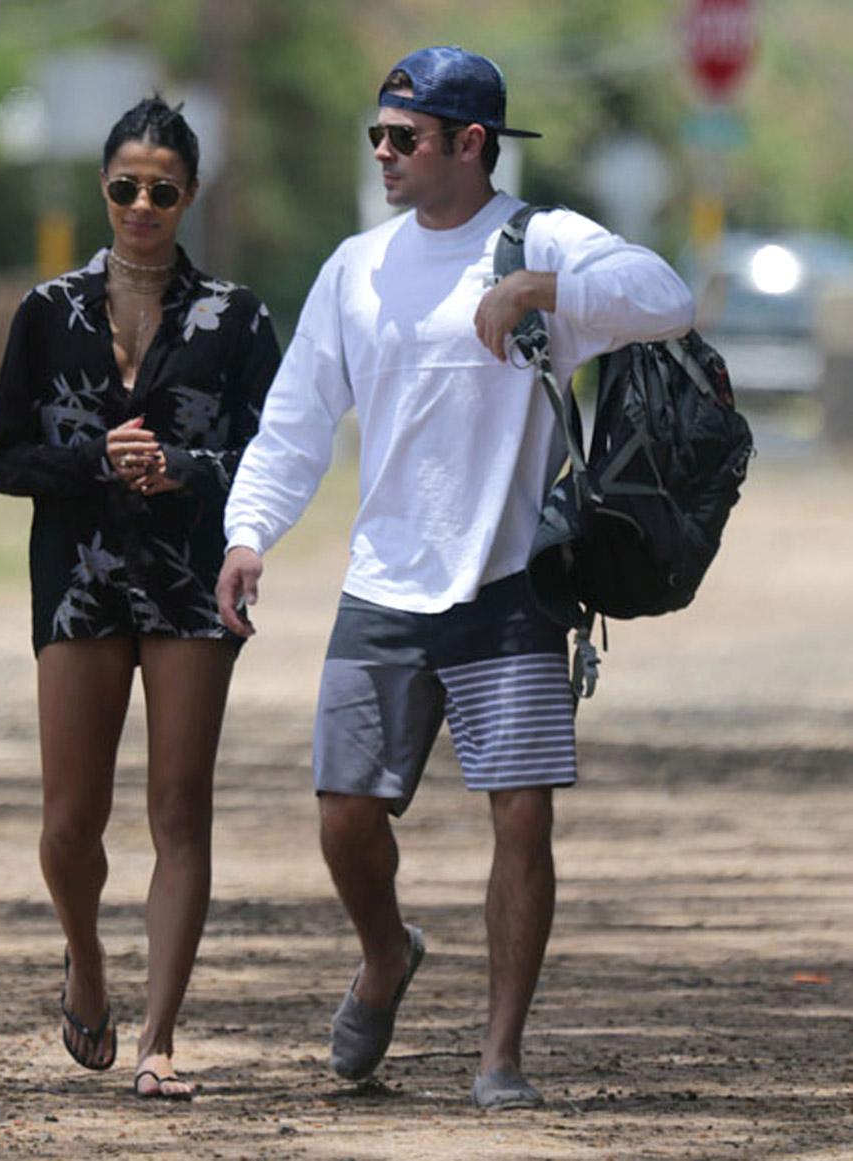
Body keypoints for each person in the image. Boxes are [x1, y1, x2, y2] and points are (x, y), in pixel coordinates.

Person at [216, 46, 694, 1108]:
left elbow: (665, 297)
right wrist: (249, 531)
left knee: (519, 816)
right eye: (376, 136)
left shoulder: (540, 240)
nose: (383, 153)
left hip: (511, 580)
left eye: (404, 137)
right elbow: (296, 421)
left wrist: (542, 287)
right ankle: (385, 956)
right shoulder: (357, 267)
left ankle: (498, 1055)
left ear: (469, 145)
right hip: (384, 583)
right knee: (343, 813)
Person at [0, 96, 280, 1100]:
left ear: (189, 194)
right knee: (71, 820)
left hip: (192, 578)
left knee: (177, 810)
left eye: (161, 189)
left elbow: (271, 456)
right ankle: (88, 960)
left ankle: (158, 1036)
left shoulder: (235, 318)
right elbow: (4, 460)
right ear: (103, 189)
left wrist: (186, 467)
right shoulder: (45, 311)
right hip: (76, 575)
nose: (142, 204)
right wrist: (92, 459)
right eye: (125, 187)